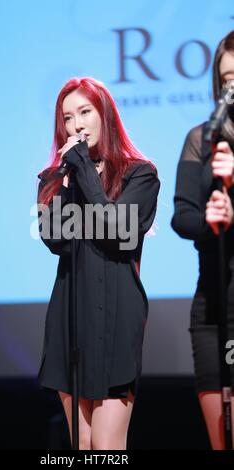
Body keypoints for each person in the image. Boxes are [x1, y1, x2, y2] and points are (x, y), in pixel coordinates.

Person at [36, 77, 160, 450]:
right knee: (83, 443)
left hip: (117, 312)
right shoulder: (53, 180)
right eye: (68, 117)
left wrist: (86, 176)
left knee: (106, 445)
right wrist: (66, 178)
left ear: (104, 115)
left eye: (85, 112)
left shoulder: (140, 174)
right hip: (70, 313)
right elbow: (55, 240)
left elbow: (118, 232)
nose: (77, 125)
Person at [171, 31, 234, 450]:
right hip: (212, 306)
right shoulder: (202, 138)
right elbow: (182, 216)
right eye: (227, 77)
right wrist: (211, 221)